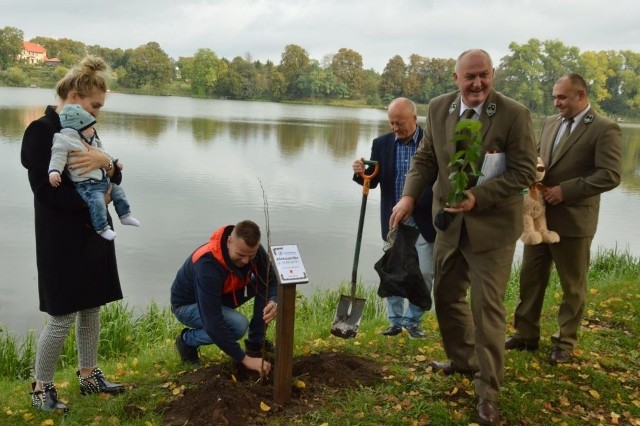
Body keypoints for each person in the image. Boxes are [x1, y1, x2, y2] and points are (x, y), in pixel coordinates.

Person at [390, 49, 537, 426]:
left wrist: (478, 197)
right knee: (446, 297)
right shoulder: (438, 108)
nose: (477, 83)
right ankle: (462, 360)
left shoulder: (514, 114)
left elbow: (523, 172)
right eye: (469, 76)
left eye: (484, 75)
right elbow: (426, 159)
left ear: (493, 74)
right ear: (455, 78)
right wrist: (408, 197)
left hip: (493, 229)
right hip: (449, 227)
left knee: (487, 309)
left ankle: (488, 390)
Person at [20, 56, 126, 413]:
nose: (97, 114)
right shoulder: (42, 130)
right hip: (60, 239)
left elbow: (110, 177)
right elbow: (46, 192)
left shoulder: (86, 131)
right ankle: (41, 388)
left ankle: (88, 374)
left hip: (93, 234)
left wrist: (107, 163)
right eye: (94, 105)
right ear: (76, 96)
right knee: (62, 314)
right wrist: (94, 198)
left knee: (92, 307)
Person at [505, 73, 622, 364]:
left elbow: (610, 175)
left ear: (581, 96)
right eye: (555, 97)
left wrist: (565, 191)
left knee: (573, 285)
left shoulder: (605, 128)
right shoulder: (550, 123)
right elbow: (537, 160)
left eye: (563, 98)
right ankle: (525, 335)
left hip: (574, 221)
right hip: (539, 219)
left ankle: (565, 342)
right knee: (530, 279)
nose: (556, 103)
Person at [352, 97, 435, 339]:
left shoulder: (431, 142)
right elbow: (373, 179)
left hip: (424, 221)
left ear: (414, 118)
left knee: (425, 273)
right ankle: (395, 321)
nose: (396, 128)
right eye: (391, 123)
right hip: (393, 222)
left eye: (400, 123)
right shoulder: (382, 144)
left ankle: (413, 321)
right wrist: (361, 173)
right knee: (393, 272)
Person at [170, 220, 278, 375]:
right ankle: (187, 341)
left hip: (221, 295)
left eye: (251, 255)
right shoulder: (207, 264)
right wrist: (245, 359)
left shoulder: (253, 250)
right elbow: (213, 322)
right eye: (240, 255)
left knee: (262, 284)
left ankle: (256, 342)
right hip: (187, 305)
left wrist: (273, 301)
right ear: (229, 241)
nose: (246, 261)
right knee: (238, 325)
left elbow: (270, 280)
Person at [49, 104, 140, 240]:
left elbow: (103, 153)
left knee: (118, 191)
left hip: (102, 181)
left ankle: (125, 215)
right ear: (79, 128)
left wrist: (114, 162)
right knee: (97, 202)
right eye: (90, 127)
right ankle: (102, 228)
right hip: (86, 185)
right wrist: (54, 172)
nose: (93, 129)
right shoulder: (64, 140)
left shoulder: (92, 140)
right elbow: (57, 156)